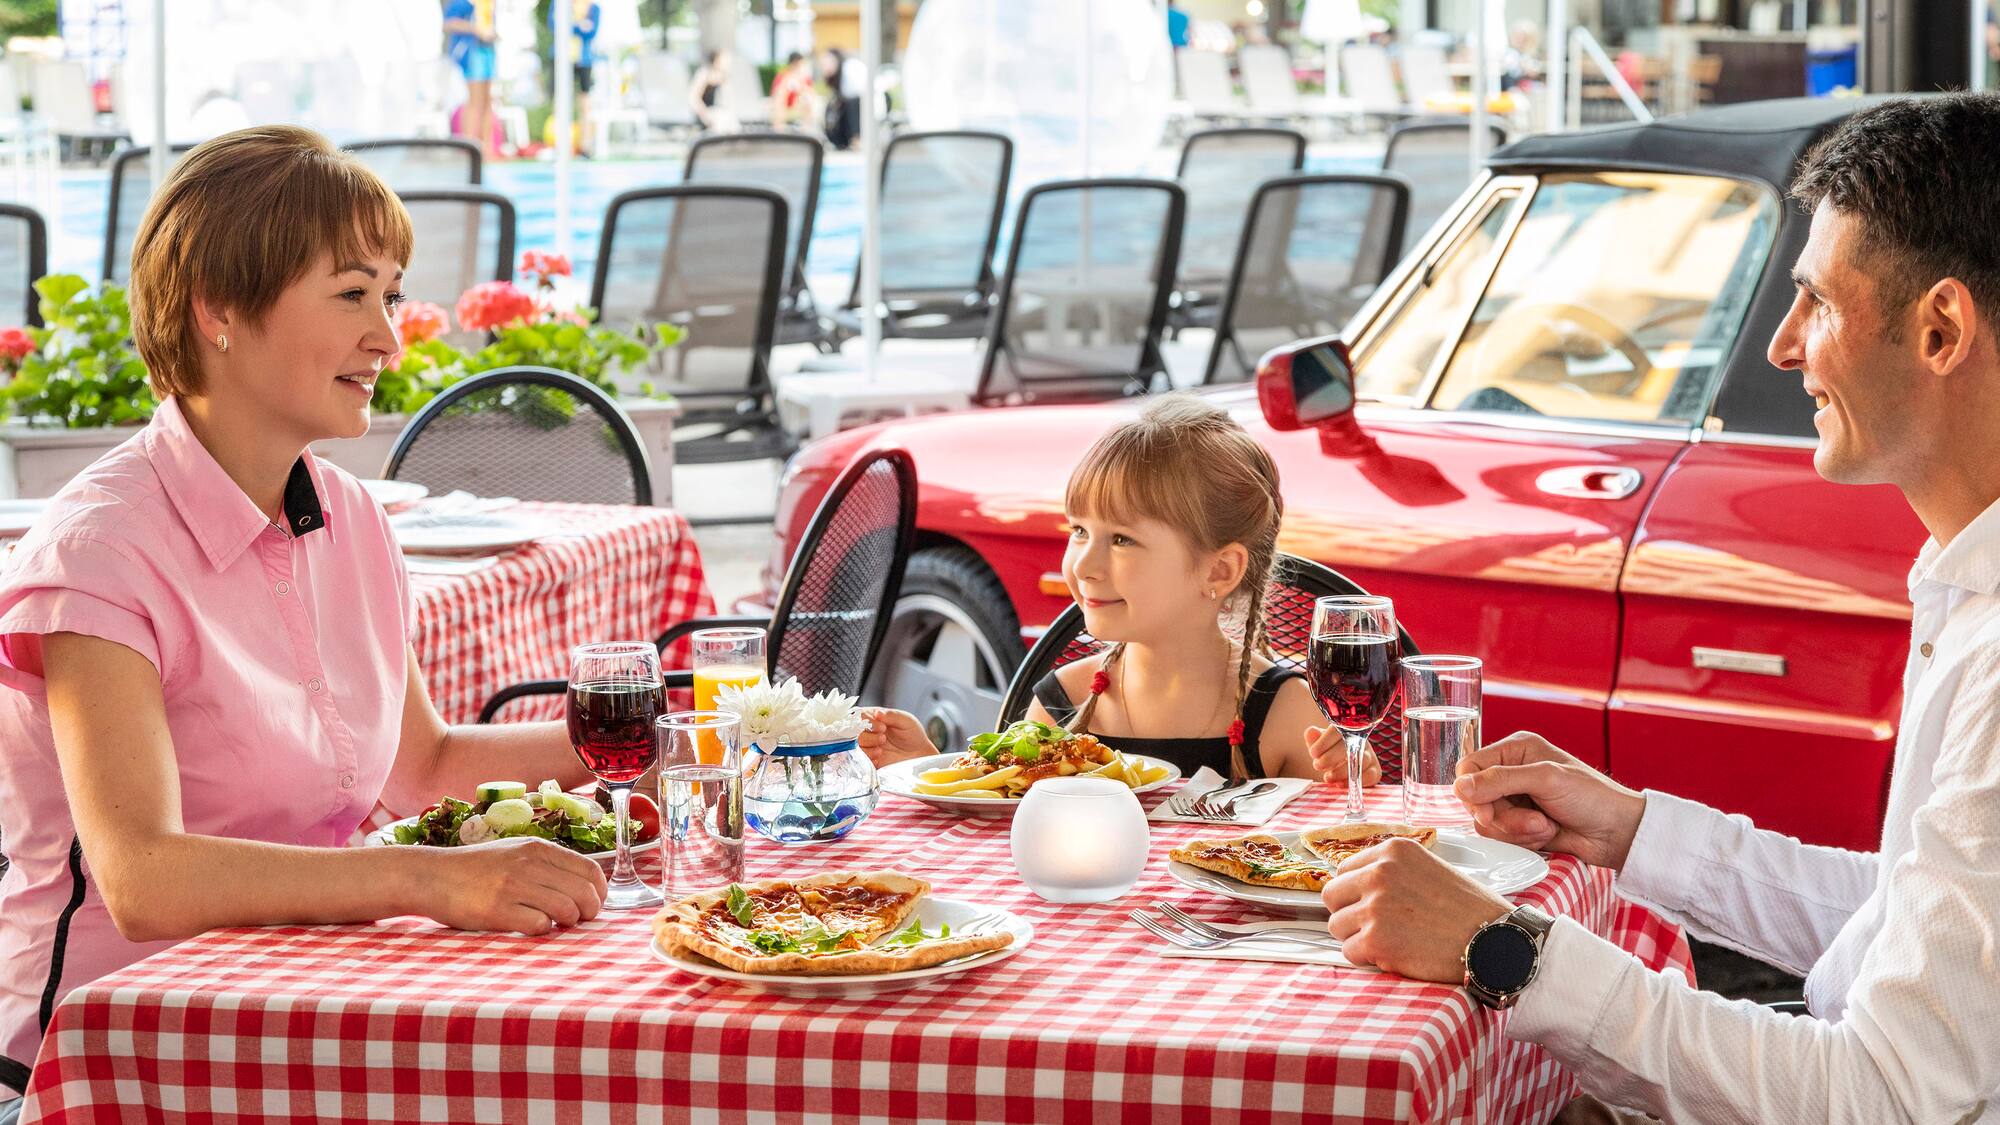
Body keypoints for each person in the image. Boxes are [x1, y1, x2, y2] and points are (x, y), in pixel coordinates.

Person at [1318, 93, 2000, 1123]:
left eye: (1812, 300)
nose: (1782, 345)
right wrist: (1631, 833)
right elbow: (1910, 926)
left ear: (1939, 328)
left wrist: (1500, 951)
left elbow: (1885, 1096)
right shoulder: (1963, 578)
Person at [0, 127, 608, 1108]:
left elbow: (428, 767)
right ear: (220, 310)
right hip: (108, 1060)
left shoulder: (353, 517)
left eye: (392, 296)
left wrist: (671, 731)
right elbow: (145, 877)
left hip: (299, 1015)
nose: (390, 337)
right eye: (352, 294)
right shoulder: (98, 553)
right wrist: (427, 882)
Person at [861, 396, 1381, 786]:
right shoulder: (1063, 703)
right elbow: (1008, 834)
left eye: (1123, 540)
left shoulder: (1284, 714)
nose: (1083, 564)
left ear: (1219, 572)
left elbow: (1328, 861)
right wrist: (927, 771)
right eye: (1079, 531)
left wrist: (1349, 783)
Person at [442, 0, 499, 159]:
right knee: (474, 101)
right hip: (471, 52)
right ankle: (468, 148)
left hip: (487, 50)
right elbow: (449, 22)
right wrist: (475, 29)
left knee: (487, 101)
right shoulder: (462, 2)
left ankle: (487, 149)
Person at [551, 0, 601, 157]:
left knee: (585, 101)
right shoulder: (559, 4)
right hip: (562, 57)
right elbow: (554, 25)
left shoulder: (593, 7)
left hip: (583, 60)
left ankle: (585, 145)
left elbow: (592, 31)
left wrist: (571, 26)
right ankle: (559, 144)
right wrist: (579, 25)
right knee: (560, 100)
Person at [768, 51, 818, 130]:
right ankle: (779, 129)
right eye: (798, 64)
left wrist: (801, 85)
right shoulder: (783, 76)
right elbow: (776, 94)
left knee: (807, 99)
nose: (799, 67)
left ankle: (805, 129)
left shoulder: (805, 77)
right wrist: (787, 81)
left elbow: (812, 94)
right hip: (784, 105)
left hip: (799, 105)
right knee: (779, 99)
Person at [689, 49, 736, 133]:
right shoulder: (704, 74)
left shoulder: (722, 76)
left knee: (730, 122)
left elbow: (728, 99)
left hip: (715, 112)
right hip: (704, 114)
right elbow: (694, 98)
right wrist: (705, 116)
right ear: (717, 60)